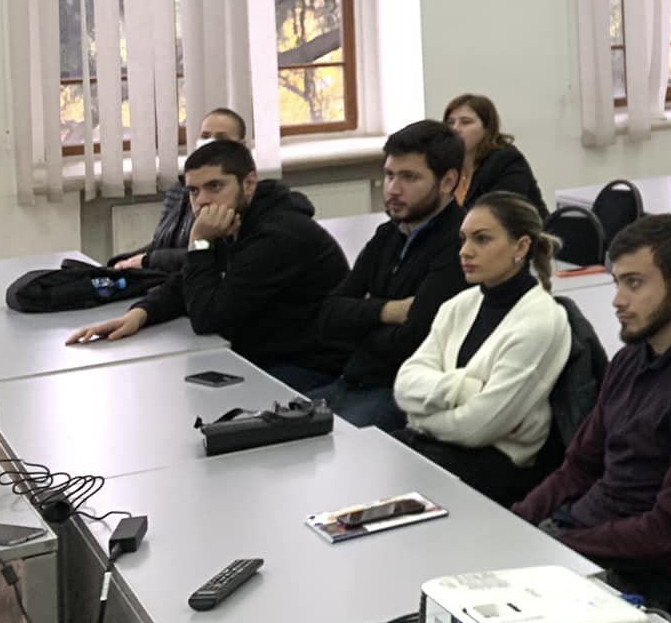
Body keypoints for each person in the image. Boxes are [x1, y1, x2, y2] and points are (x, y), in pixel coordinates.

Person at [516, 216, 671, 623]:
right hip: (579, 538)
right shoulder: (631, 357)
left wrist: (560, 546)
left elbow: (668, 533)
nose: (617, 300)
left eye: (634, 283)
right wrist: (518, 522)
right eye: (617, 282)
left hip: (632, 576)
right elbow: (579, 467)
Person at [67, 138, 349, 391]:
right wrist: (140, 314)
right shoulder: (235, 219)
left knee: (188, 401)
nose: (201, 201)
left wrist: (199, 241)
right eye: (193, 191)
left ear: (249, 184)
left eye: (215, 187)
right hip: (265, 352)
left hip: (311, 365)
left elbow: (208, 317)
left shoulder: (278, 235)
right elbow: (184, 283)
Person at [393, 192, 573, 506]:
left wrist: (420, 418)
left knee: (386, 483)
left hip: (495, 466)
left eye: (482, 239)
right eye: (463, 239)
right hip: (437, 449)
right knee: (370, 466)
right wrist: (467, 389)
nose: (465, 251)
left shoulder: (540, 320)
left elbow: (479, 428)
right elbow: (404, 385)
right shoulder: (458, 306)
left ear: (521, 247)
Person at [314, 121, 471, 429]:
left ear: (448, 181)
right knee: (265, 433)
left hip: (398, 396)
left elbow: (412, 341)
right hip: (352, 381)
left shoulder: (461, 244)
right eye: (389, 175)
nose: (393, 189)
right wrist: (387, 311)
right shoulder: (388, 234)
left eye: (409, 177)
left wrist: (359, 320)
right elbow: (327, 317)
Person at [109, 107, 251, 272]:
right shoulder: (179, 189)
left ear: (241, 146)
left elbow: (214, 255)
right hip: (164, 275)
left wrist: (148, 260)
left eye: (221, 138)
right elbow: (161, 243)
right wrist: (123, 261)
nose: (211, 143)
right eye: (205, 136)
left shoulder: (237, 193)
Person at [444, 93, 546, 216]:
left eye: (466, 122)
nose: (455, 128)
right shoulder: (448, 166)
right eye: (450, 123)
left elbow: (500, 214)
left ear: (487, 128)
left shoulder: (506, 161)